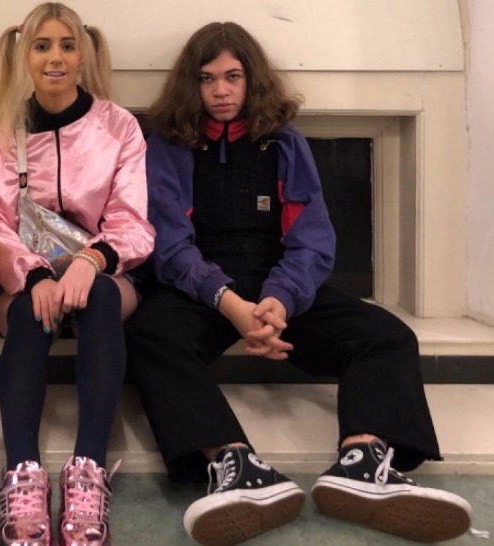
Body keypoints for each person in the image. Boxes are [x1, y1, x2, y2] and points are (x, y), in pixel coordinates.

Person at [126, 21, 476, 546]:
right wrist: (230, 303)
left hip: (279, 283)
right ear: (190, 84)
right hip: (202, 286)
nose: (220, 91)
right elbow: (169, 243)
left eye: (232, 76)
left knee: (387, 335)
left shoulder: (285, 142)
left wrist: (279, 300)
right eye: (206, 78)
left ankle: (363, 461)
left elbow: (313, 239)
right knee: (150, 335)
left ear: (251, 79)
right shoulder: (167, 146)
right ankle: (234, 464)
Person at [0, 3, 155, 545]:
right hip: (28, 281)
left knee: (100, 301)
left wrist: (92, 263)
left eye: (67, 46)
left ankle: (88, 470)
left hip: (104, 275)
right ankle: (22, 474)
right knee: (28, 312)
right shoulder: (2, 134)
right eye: (42, 46)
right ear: (24, 55)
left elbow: (132, 219)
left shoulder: (118, 127)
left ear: (83, 55)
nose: (55, 58)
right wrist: (33, 277)